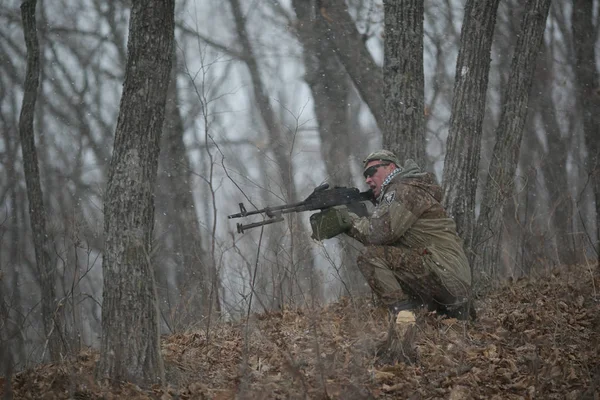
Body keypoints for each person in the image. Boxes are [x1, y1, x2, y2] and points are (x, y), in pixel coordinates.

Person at [325, 150, 474, 321]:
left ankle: (404, 318)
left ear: (390, 167)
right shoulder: (407, 190)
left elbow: (379, 234)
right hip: (451, 280)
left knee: (370, 256)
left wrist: (347, 220)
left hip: (443, 273)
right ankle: (425, 315)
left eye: (371, 172)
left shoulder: (404, 190)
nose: (367, 179)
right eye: (365, 175)